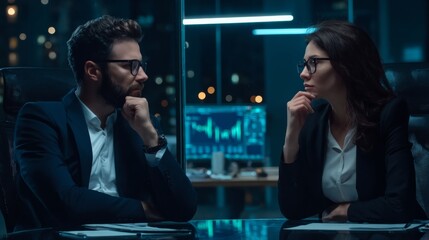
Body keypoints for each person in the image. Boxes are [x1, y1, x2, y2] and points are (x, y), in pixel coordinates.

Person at [13, 15, 197, 229]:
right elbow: (66, 202)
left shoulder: (138, 125)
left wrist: (151, 137)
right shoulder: (40, 120)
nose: (144, 75)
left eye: (142, 64)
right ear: (93, 71)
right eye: (132, 66)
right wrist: (145, 210)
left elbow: (184, 208)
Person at [278, 20, 421, 223]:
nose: (303, 73)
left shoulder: (388, 114)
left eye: (313, 63)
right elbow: (293, 209)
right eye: (304, 64)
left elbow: (399, 205)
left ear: (346, 65)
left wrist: (347, 211)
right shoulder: (313, 121)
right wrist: (291, 139)